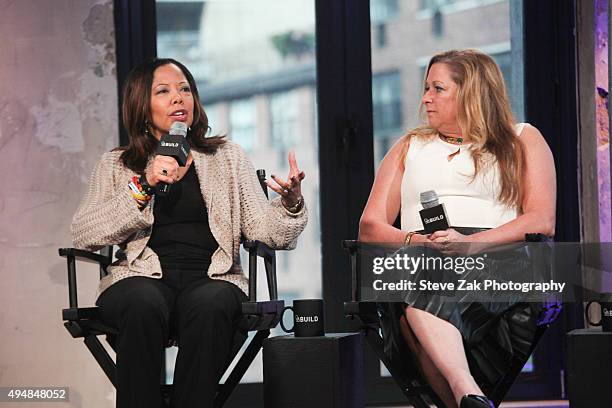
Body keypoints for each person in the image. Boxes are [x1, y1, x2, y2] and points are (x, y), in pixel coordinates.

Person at [71, 58, 308, 408]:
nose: (178, 99)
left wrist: (289, 205)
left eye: (185, 89)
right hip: (140, 277)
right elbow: (84, 232)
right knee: (141, 303)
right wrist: (144, 184)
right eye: (163, 91)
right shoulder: (118, 164)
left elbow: (266, 231)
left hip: (213, 277)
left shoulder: (227, 158)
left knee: (211, 304)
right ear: (141, 106)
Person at [359, 49, 556, 408]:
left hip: (498, 258)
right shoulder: (408, 147)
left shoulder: (522, 139)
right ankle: (470, 395)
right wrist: (419, 241)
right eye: (426, 88)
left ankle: (467, 395)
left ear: (471, 92)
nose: (425, 98)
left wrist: (471, 244)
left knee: (415, 304)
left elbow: (542, 219)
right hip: (425, 256)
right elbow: (370, 227)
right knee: (417, 283)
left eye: (437, 88)